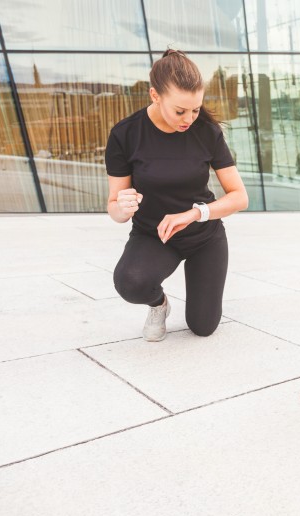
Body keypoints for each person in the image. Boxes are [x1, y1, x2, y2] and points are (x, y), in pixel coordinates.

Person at [105, 49, 248, 341]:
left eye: (195, 109)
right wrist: (123, 206)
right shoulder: (125, 135)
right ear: (155, 96)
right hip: (155, 236)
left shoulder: (206, 131)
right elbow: (115, 209)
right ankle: (159, 306)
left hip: (204, 236)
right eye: (180, 111)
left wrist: (196, 213)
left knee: (202, 327)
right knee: (130, 283)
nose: (189, 119)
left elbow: (239, 197)